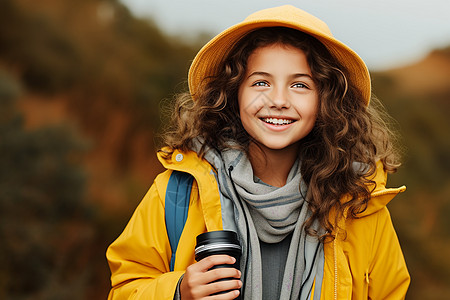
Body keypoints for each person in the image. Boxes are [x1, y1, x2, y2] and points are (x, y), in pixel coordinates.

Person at [106, 5, 410, 300]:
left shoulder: (360, 207)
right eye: (261, 82)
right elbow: (125, 287)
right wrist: (179, 291)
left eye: (300, 85)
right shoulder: (176, 193)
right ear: (234, 91)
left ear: (326, 101)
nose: (278, 100)